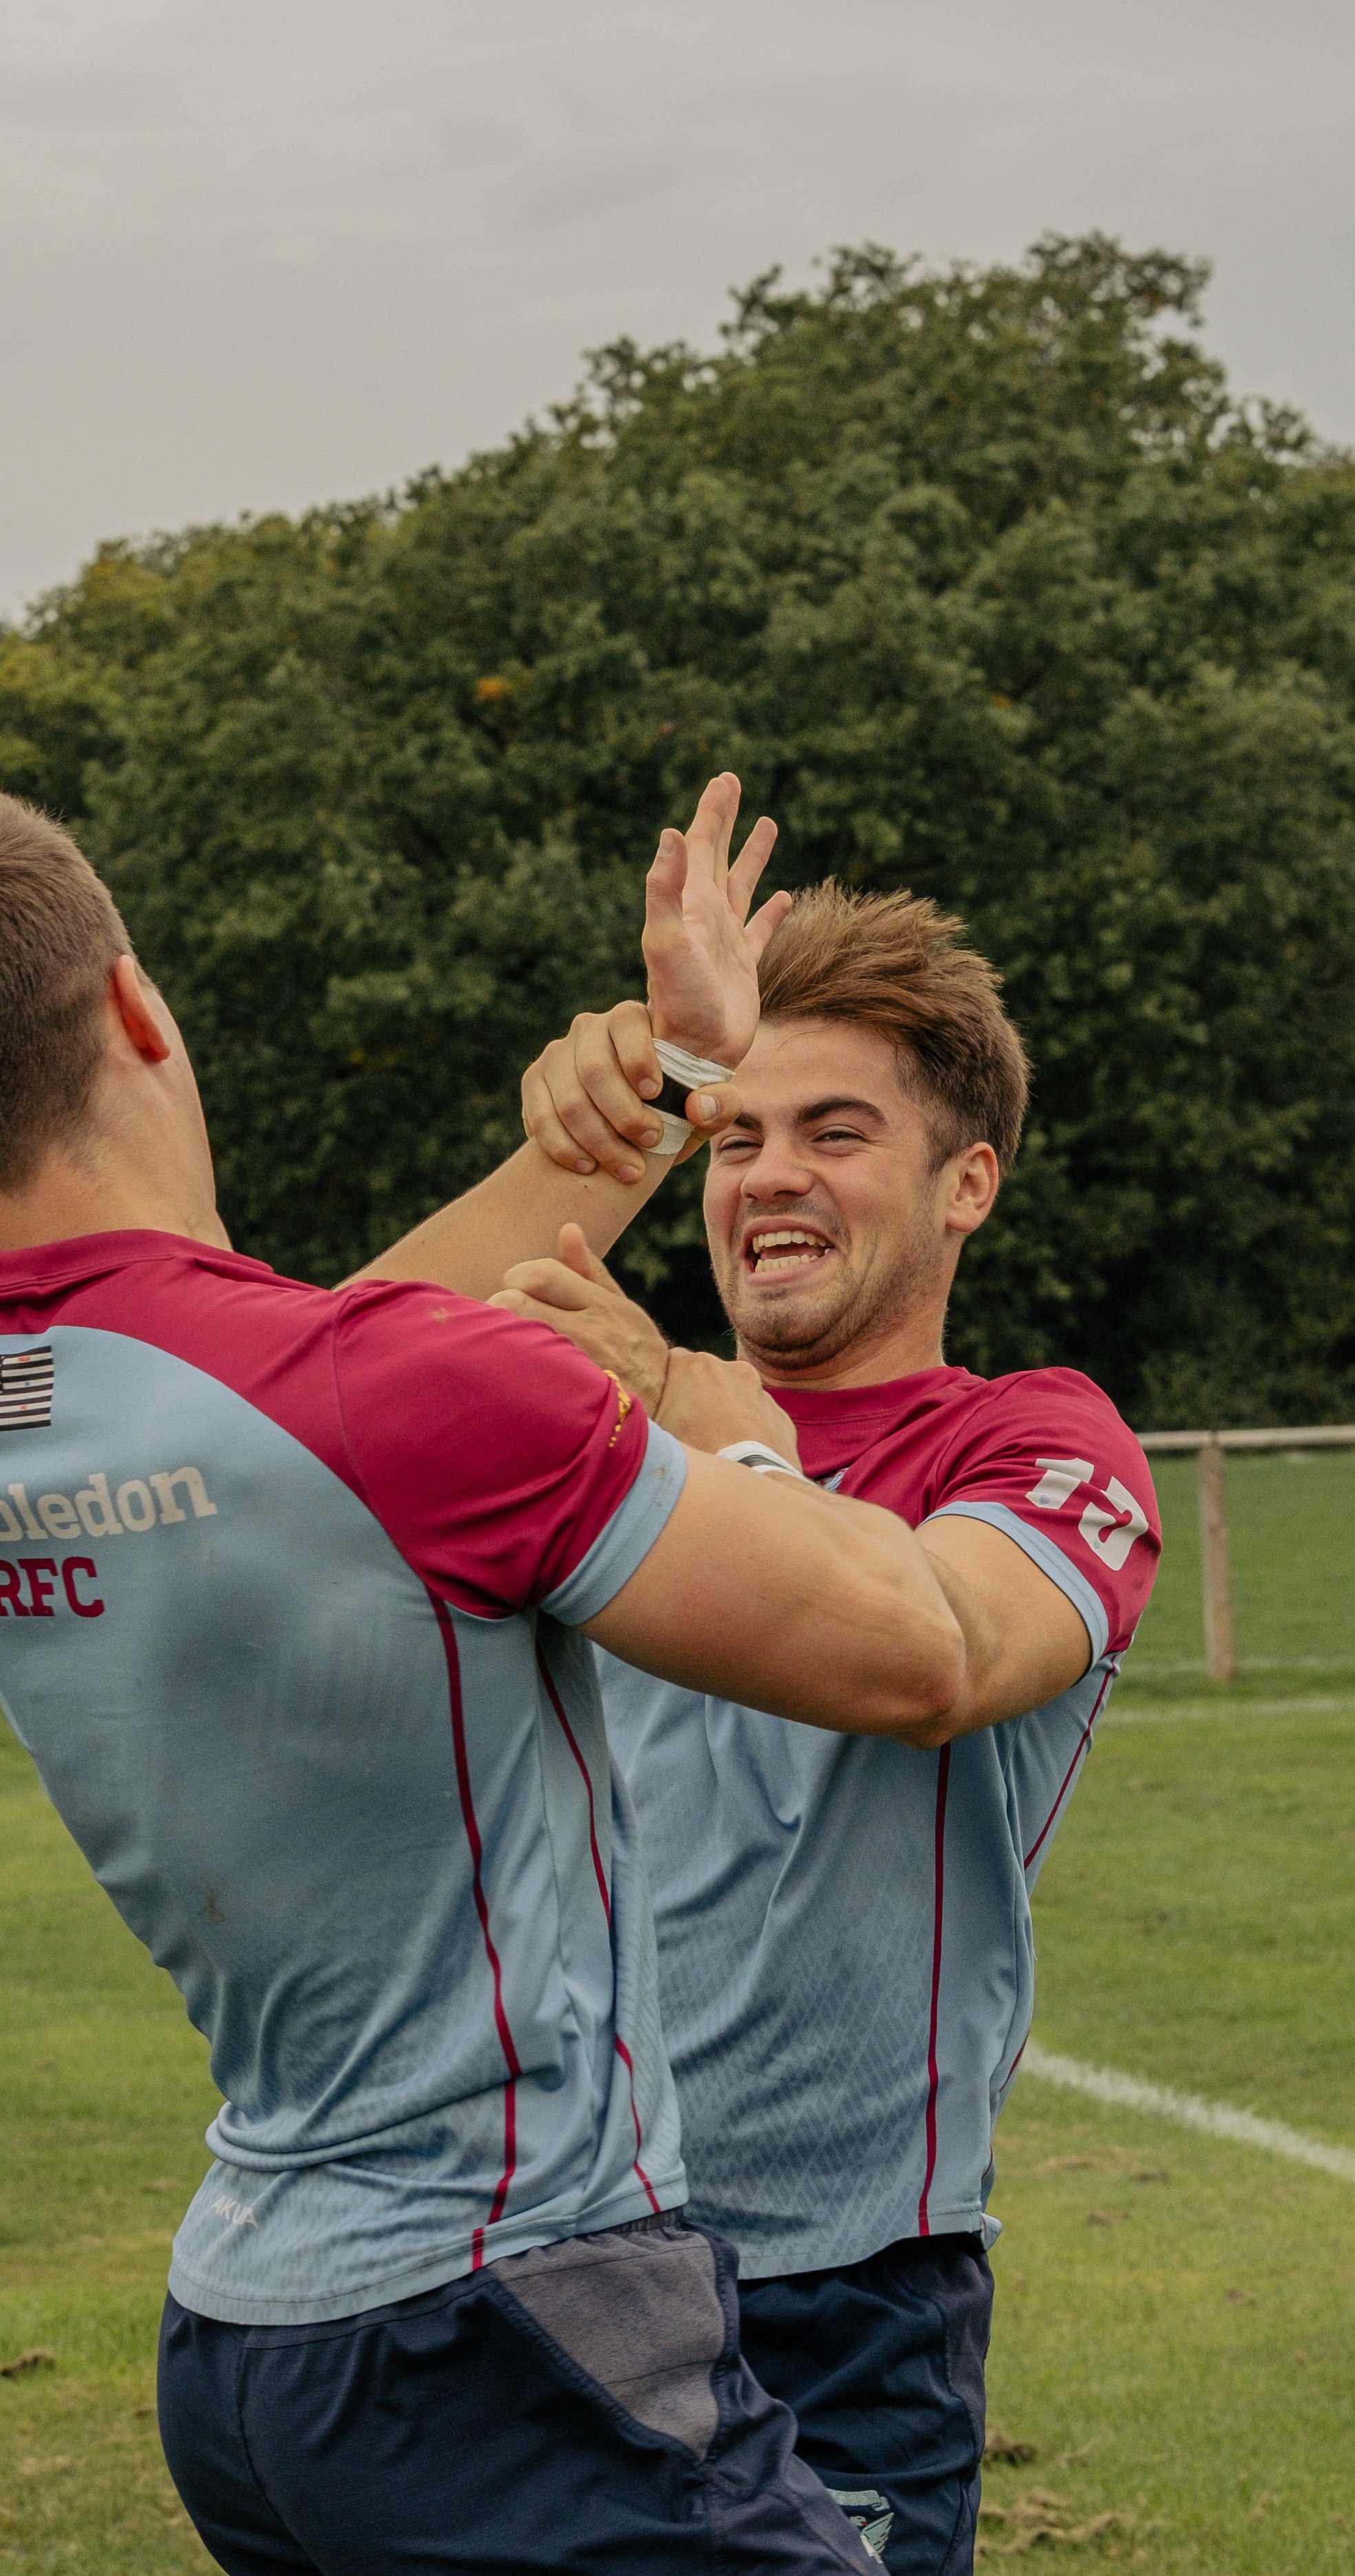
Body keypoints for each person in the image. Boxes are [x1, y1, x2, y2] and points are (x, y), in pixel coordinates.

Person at [0, 790, 969, 2576]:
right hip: (505, 2323)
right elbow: (908, 1660)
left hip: (248, 2343)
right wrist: (723, 1427)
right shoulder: (384, 1406)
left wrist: (671, 1081)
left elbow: (303, 1377)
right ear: (138, 1008)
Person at [410, 776, 1162, 2576]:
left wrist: (708, 1428)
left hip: (845, 2297)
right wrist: (622, 1112)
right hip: (548, 2259)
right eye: (736, 1138)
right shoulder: (579, 1414)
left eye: (833, 1132)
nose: (767, 1179)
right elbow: (296, 1419)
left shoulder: (1032, 1438)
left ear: (962, 1180)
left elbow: (938, 1656)